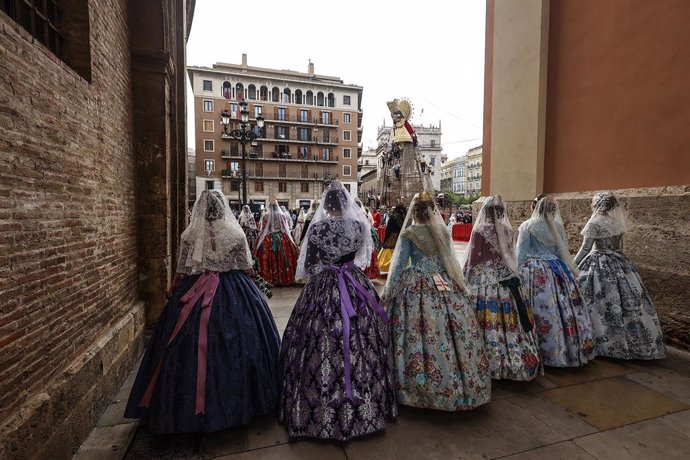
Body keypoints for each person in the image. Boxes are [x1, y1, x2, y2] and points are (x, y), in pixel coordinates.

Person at [124, 190, 280, 434]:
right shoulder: (235, 233)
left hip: (194, 292)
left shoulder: (190, 235)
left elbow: (184, 270)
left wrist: (173, 289)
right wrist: (255, 280)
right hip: (234, 292)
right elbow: (246, 267)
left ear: (200, 210)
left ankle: (183, 409)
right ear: (223, 208)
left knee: (182, 342)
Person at [278, 180, 397, 441]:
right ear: (345, 203)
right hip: (355, 284)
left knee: (315, 340)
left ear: (326, 204)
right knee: (363, 341)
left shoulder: (318, 228)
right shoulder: (359, 226)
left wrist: (325, 272)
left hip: (323, 287)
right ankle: (368, 406)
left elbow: (310, 265)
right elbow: (365, 260)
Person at [383, 192, 491, 410]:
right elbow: (449, 260)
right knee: (450, 331)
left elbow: (399, 266)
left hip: (415, 287)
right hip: (443, 283)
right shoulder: (442, 231)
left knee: (416, 332)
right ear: (432, 211)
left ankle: (417, 388)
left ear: (414, 212)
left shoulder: (409, 234)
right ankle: (457, 383)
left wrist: (389, 292)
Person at [573, 191, 665, 360]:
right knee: (625, 300)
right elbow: (619, 248)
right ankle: (631, 342)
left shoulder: (594, 222)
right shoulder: (617, 222)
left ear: (597, 205)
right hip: (618, 262)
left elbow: (585, 248)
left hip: (597, 261)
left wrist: (571, 266)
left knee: (595, 301)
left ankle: (598, 340)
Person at [463, 195, 541, 381]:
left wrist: (464, 276)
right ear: (501, 212)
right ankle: (515, 354)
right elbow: (512, 255)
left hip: (485, 280)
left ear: (486, 212)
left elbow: (474, 258)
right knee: (509, 319)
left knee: (485, 315)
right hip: (506, 278)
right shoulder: (507, 230)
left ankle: (487, 357)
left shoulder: (480, 230)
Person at [517, 196, 596, 367]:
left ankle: (538, 346)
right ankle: (568, 347)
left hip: (535, 271)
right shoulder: (558, 227)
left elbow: (521, 254)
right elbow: (562, 253)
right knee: (563, 308)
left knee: (539, 307)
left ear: (535, 207)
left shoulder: (527, 226)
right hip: (557, 269)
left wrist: (517, 274)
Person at [256, 200, 298, 286]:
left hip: (269, 238)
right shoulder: (282, 215)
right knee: (283, 257)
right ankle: (283, 278)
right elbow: (286, 228)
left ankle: (269, 278)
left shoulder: (266, 216)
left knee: (269, 258)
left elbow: (264, 229)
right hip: (282, 238)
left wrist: (260, 239)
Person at [378, 204, 406, 274]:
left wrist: (385, 240)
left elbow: (388, 229)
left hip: (392, 237)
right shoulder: (404, 217)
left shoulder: (393, 216)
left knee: (389, 251)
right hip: (400, 237)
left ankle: (388, 267)